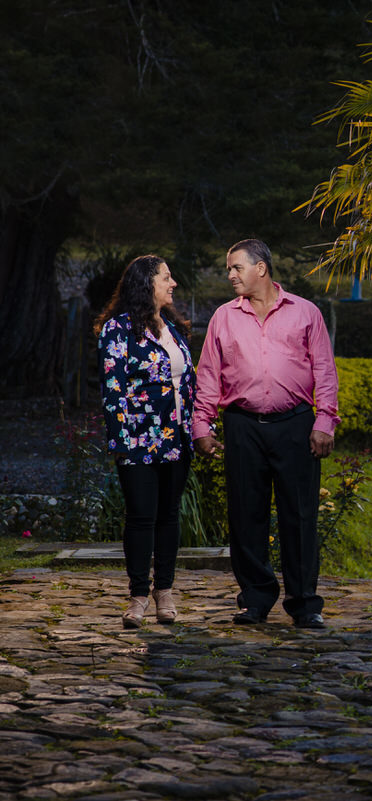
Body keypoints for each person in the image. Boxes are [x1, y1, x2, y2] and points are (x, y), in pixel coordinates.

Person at [192, 239, 339, 628]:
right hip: (242, 425)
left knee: (300, 515)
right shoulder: (224, 317)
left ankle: (305, 604)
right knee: (246, 514)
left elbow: (325, 371)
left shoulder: (305, 313)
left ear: (261, 269)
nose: (230, 275)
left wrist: (325, 422)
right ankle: (255, 600)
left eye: (236, 267)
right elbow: (208, 375)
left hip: (295, 425)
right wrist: (202, 425)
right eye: (229, 268)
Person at [95, 254, 195, 628]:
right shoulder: (117, 329)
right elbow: (113, 387)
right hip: (137, 440)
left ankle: (164, 592)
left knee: (169, 515)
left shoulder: (174, 329)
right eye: (166, 277)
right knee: (141, 516)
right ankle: (138, 596)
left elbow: (189, 384)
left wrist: (201, 428)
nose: (173, 284)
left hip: (177, 438)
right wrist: (121, 440)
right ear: (146, 283)